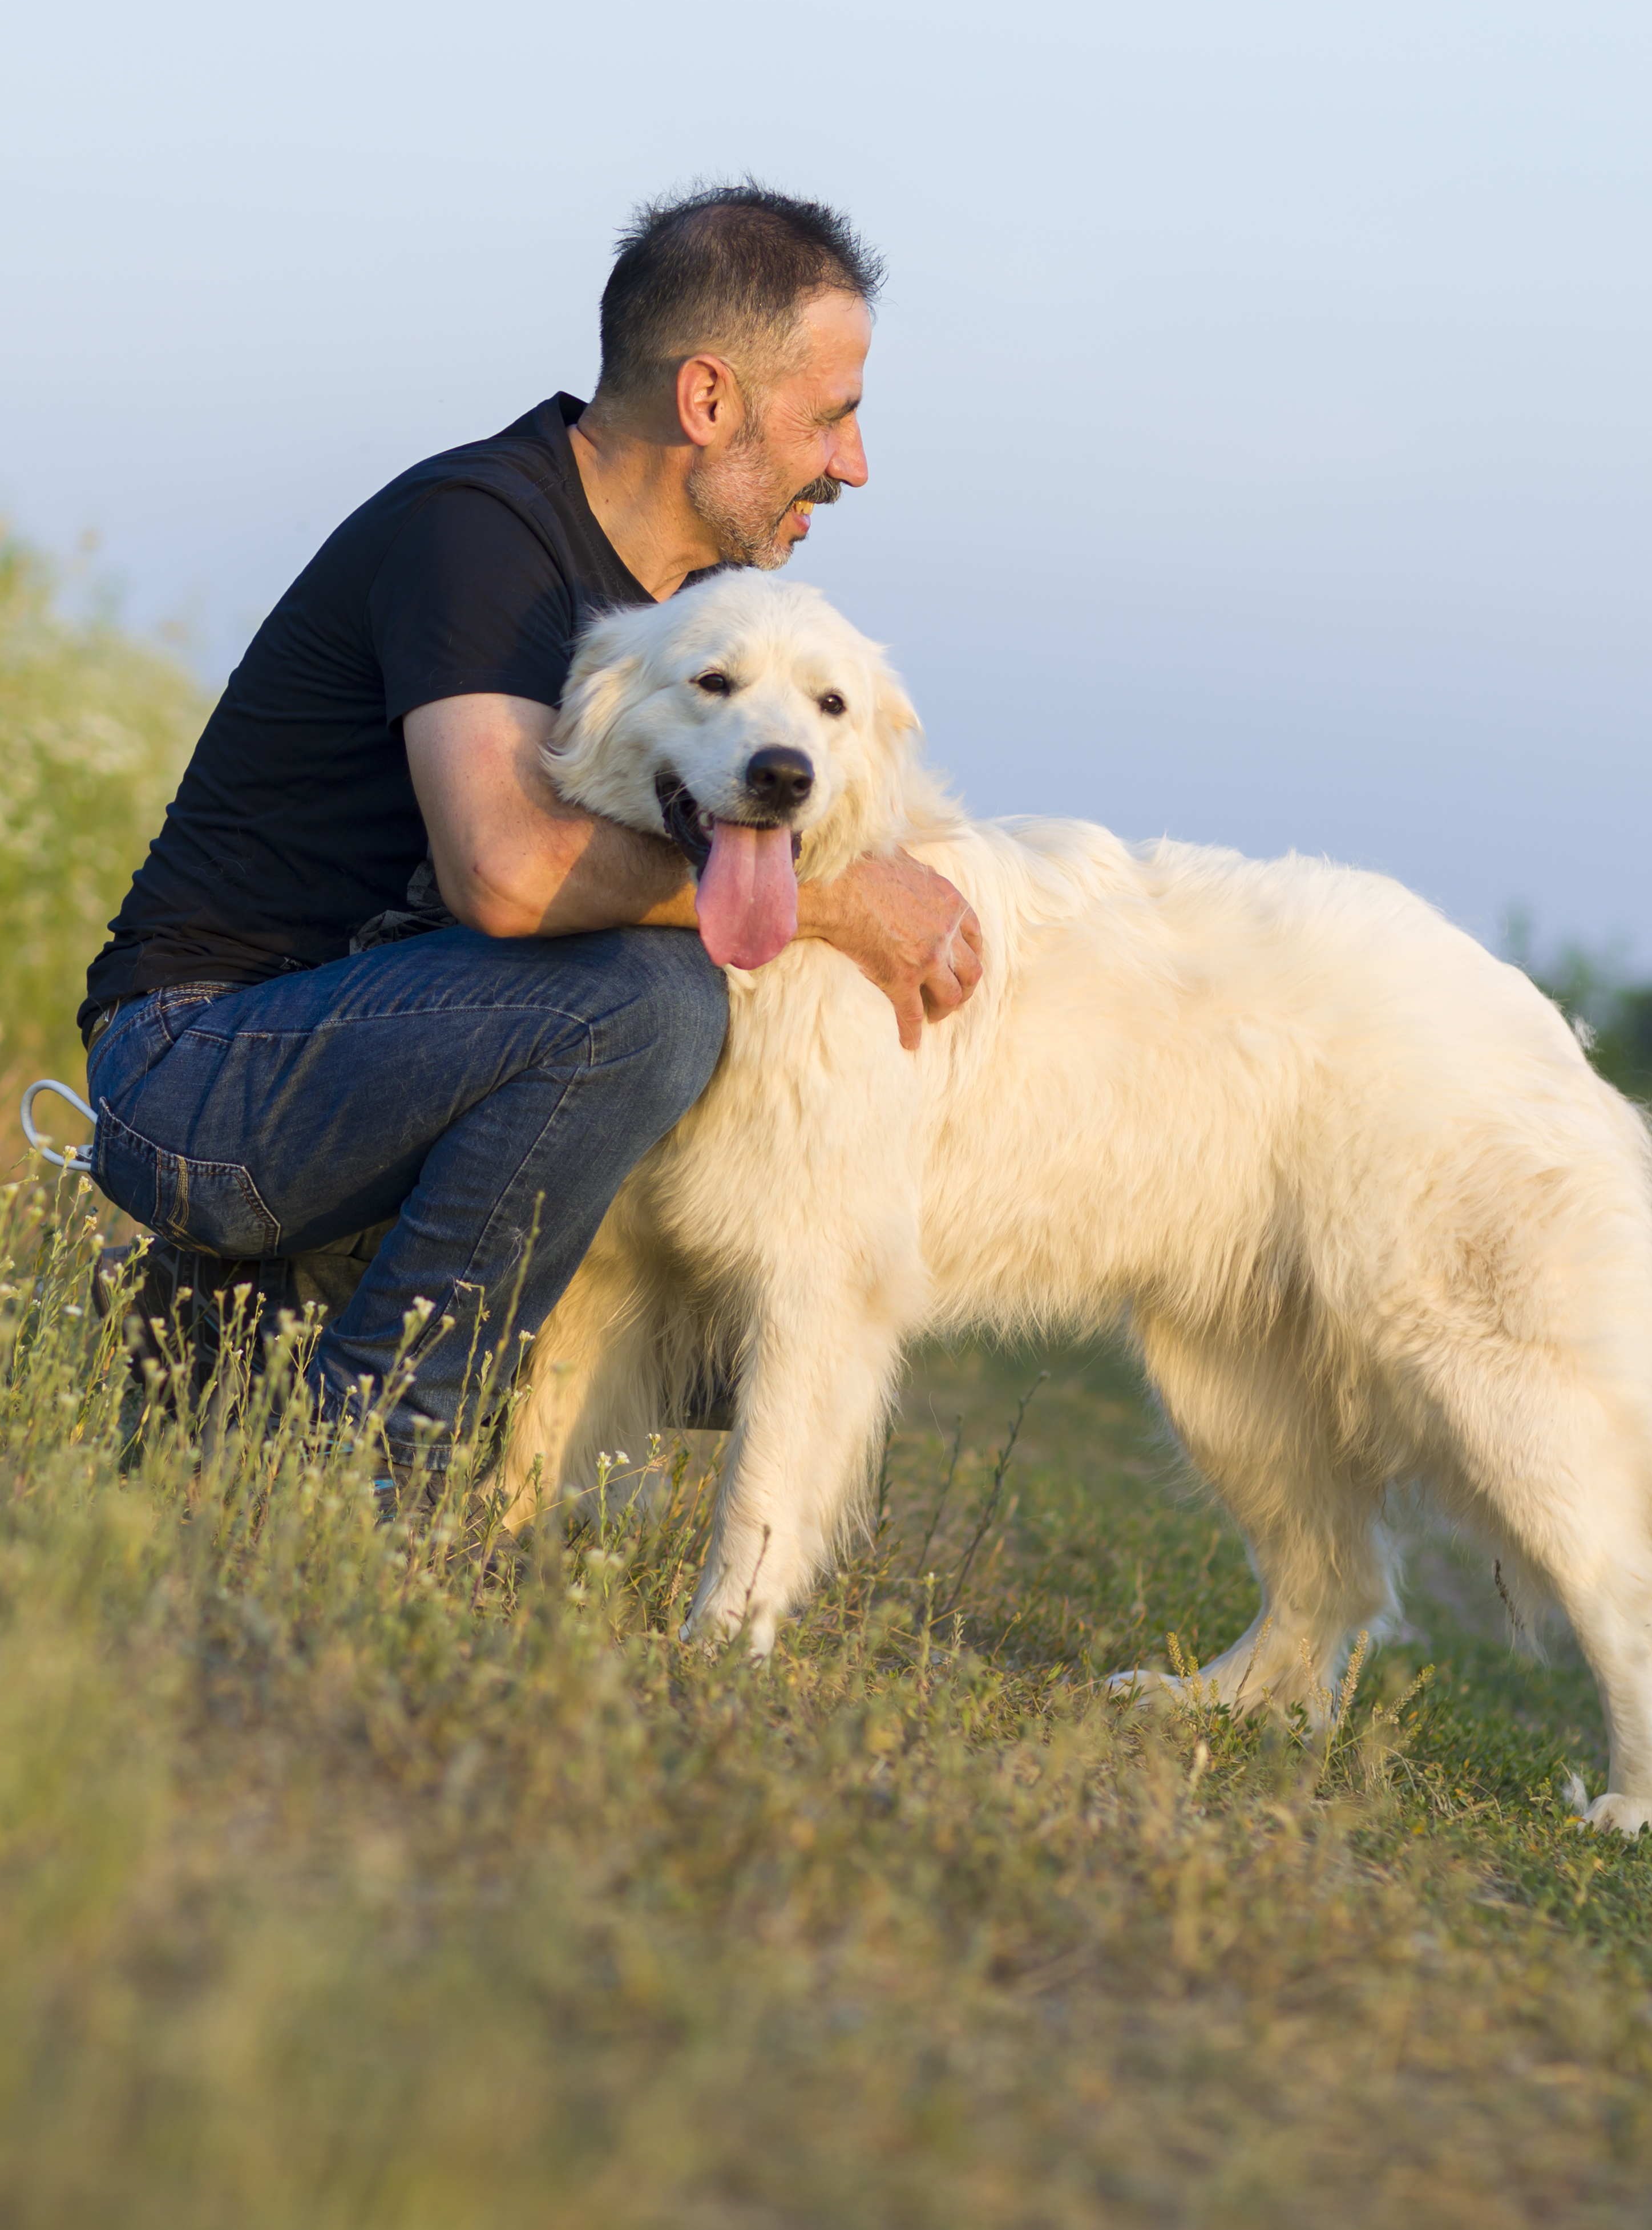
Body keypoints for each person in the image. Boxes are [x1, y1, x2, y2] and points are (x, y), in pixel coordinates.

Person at [75, 184, 980, 1482]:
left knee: (770, 1261)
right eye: (829, 414)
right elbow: (503, 872)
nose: (852, 462)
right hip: (200, 1069)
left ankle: (240, 1318)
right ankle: (369, 1463)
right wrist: (837, 899)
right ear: (709, 401)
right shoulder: (484, 537)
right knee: (650, 1003)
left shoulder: (688, 621)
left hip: (365, 1048)